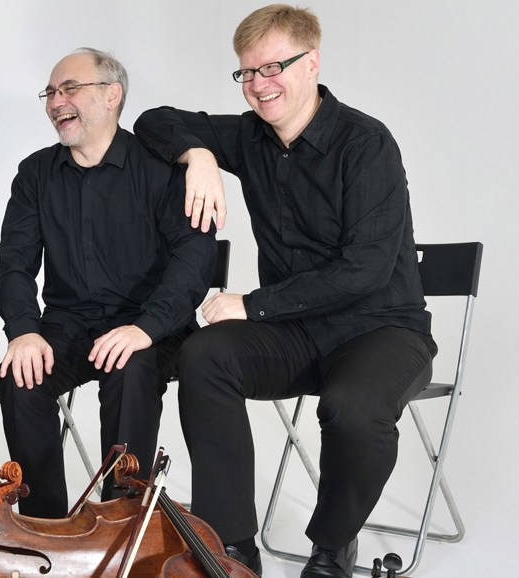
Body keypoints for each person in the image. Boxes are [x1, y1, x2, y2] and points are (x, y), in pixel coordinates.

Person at [133, 5, 437, 577]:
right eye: (247, 72)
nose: (259, 84)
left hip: (382, 329)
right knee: (205, 354)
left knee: (353, 407)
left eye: (273, 67)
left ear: (312, 63)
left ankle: (332, 546)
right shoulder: (250, 137)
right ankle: (230, 548)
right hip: (297, 334)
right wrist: (199, 154)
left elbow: (365, 271)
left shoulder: (367, 144)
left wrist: (252, 304)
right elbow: (153, 120)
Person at [0, 48, 215, 520]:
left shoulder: (162, 169)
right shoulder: (35, 174)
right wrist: (23, 330)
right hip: (69, 326)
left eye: (70, 88)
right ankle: (45, 526)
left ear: (112, 95)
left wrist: (146, 328)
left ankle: (119, 522)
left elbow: (194, 259)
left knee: (129, 368)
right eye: (50, 93)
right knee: (19, 376)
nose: (56, 102)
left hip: (150, 327)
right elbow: (13, 261)